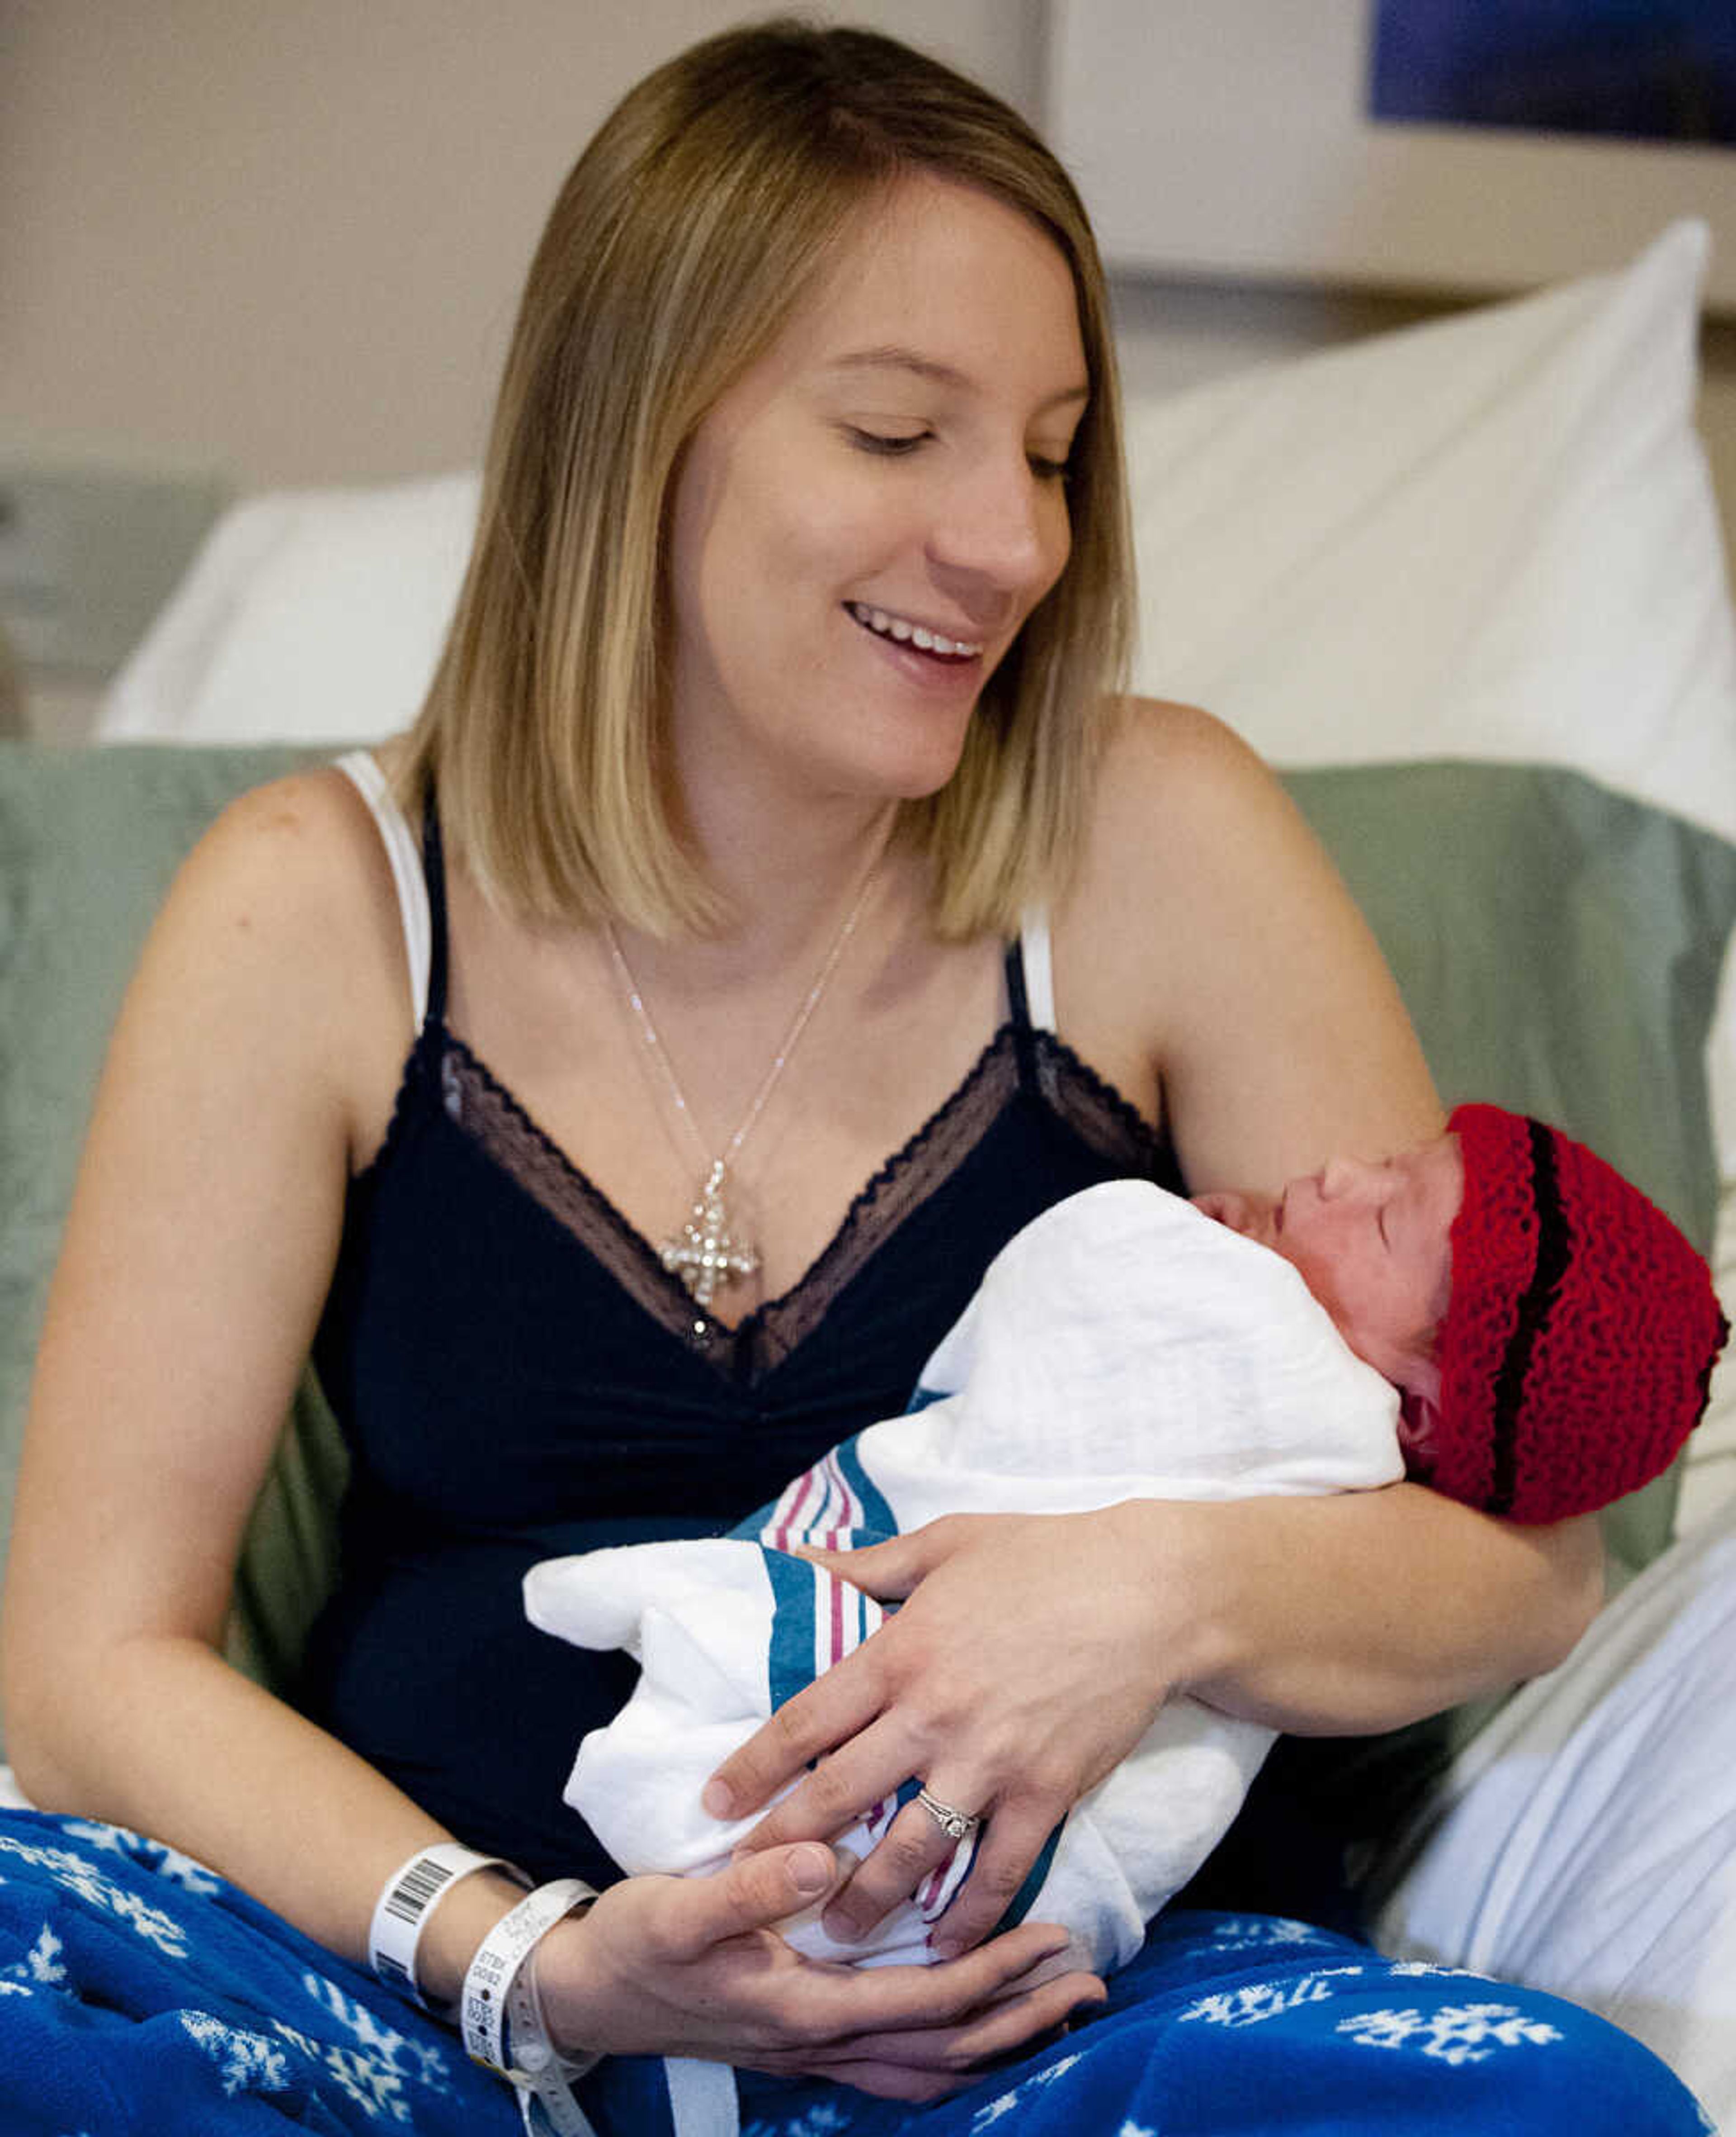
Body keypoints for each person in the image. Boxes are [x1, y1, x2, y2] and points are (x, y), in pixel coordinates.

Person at [0, 18, 1713, 2136]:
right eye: (903, 432)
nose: (1012, 543)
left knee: (1547, 2115)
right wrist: (534, 1966)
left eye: (1059, 450)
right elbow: (87, 1668)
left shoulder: (1157, 841)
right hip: (437, 2007)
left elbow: (1521, 1566)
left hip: (1047, 2021)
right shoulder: (311, 916)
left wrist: (1141, 1595)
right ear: (641, 439)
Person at [525, 1109, 1723, 1979]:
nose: (1339, 1165)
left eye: (1391, 1210)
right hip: (527, 1938)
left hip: (1048, 1923)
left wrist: (1152, 1573)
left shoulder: (1318, 1418)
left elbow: (1547, 1585)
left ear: (1421, 1407)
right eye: (1391, 1159)